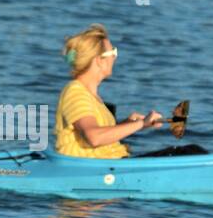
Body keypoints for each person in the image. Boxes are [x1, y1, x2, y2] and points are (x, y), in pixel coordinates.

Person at [55, 24, 164, 159]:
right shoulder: (75, 93)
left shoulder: (92, 96)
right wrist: (141, 123)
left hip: (112, 163)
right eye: (113, 52)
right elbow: (93, 137)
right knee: (190, 151)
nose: (115, 57)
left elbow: (99, 135)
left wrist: (129, 124)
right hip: (93, 169)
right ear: (99, 60)